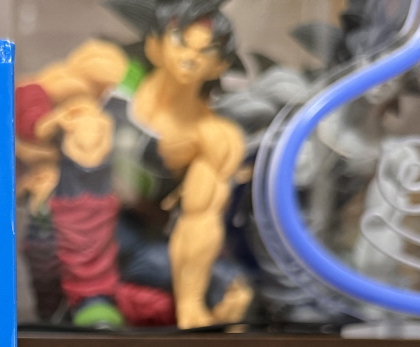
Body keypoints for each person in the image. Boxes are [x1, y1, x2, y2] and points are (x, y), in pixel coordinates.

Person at [16, 0, 250, 329]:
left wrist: (191, 306)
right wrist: (44, 125)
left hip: (132, 240)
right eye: (181, 42)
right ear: (155, 45)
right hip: (65, 233)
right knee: (89, 128)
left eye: (207, 51)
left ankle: (118, 301)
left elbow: (199, 224)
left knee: (228, 291)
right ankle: (91, 297)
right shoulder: (113, 74)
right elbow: (30, 90)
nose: (190, 57)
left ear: (219, 65)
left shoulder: (212, 135)